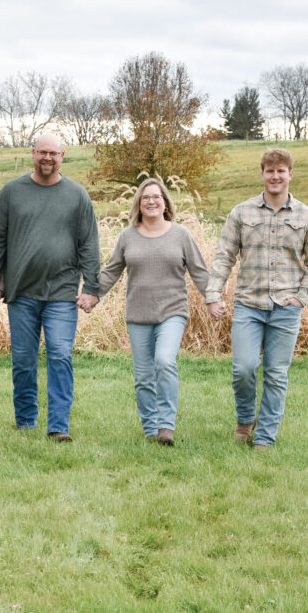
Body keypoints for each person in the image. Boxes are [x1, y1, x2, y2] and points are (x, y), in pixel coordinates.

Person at [0, 133, 100, 442]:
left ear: (63, 156)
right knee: (23, 359)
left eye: (53, 153)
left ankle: (58, 427)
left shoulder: (77, 195)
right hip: (21, 292)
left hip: (62, 292)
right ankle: (25, 422)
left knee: (60, 354)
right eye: (42, 152)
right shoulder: (11, 192)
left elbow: (88, 244)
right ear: (33, 154)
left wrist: (92, 287)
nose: (47, 158)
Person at [206, 148, 308, 451]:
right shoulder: (241, 213)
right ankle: (245, 421)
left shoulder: (307, 217)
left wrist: (302, 298)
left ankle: (265, 436)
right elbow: (224, 257)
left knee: (275, 374)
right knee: (243, 368)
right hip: (249, 305)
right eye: (269, 171)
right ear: (261, 174)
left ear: (290, 175)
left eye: (281, 170)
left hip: (286, 308)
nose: (275, 176)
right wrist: (213, 293)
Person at [89, 177, 216, 446]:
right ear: (138, 203)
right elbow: (112, 270)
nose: (151, 201)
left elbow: (199, 271)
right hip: (138, 315)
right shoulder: (127, 236)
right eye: (145, 197)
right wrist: (93, 295)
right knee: (144, 376)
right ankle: (150, 428)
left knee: (165, 361)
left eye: (156, 196)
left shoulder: (180, 234)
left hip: (172, 311)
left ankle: (166, 425)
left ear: (165, 202)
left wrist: (212, 298)